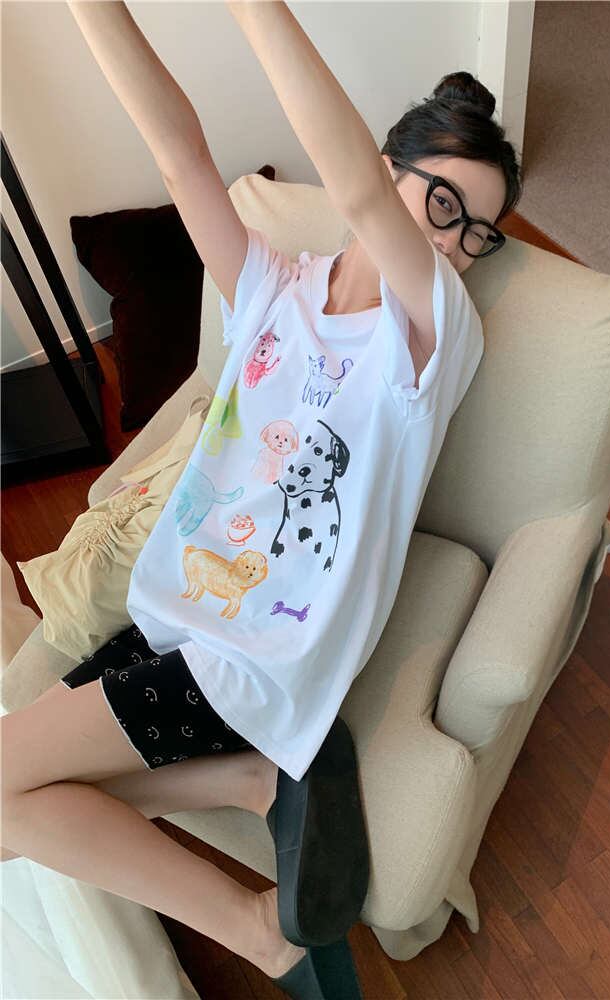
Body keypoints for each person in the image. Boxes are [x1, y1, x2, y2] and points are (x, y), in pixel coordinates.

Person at [1, 3, 521, 998]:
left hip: (258, 659)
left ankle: (257, 925)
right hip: (175, 614)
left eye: (479, 230)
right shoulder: (276, 288)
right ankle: (247, 784)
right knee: (13, 808)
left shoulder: (431, 330)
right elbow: (180, 155)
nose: (457, 241)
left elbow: (359, 193)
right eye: (443, 203)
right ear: (393, 167)